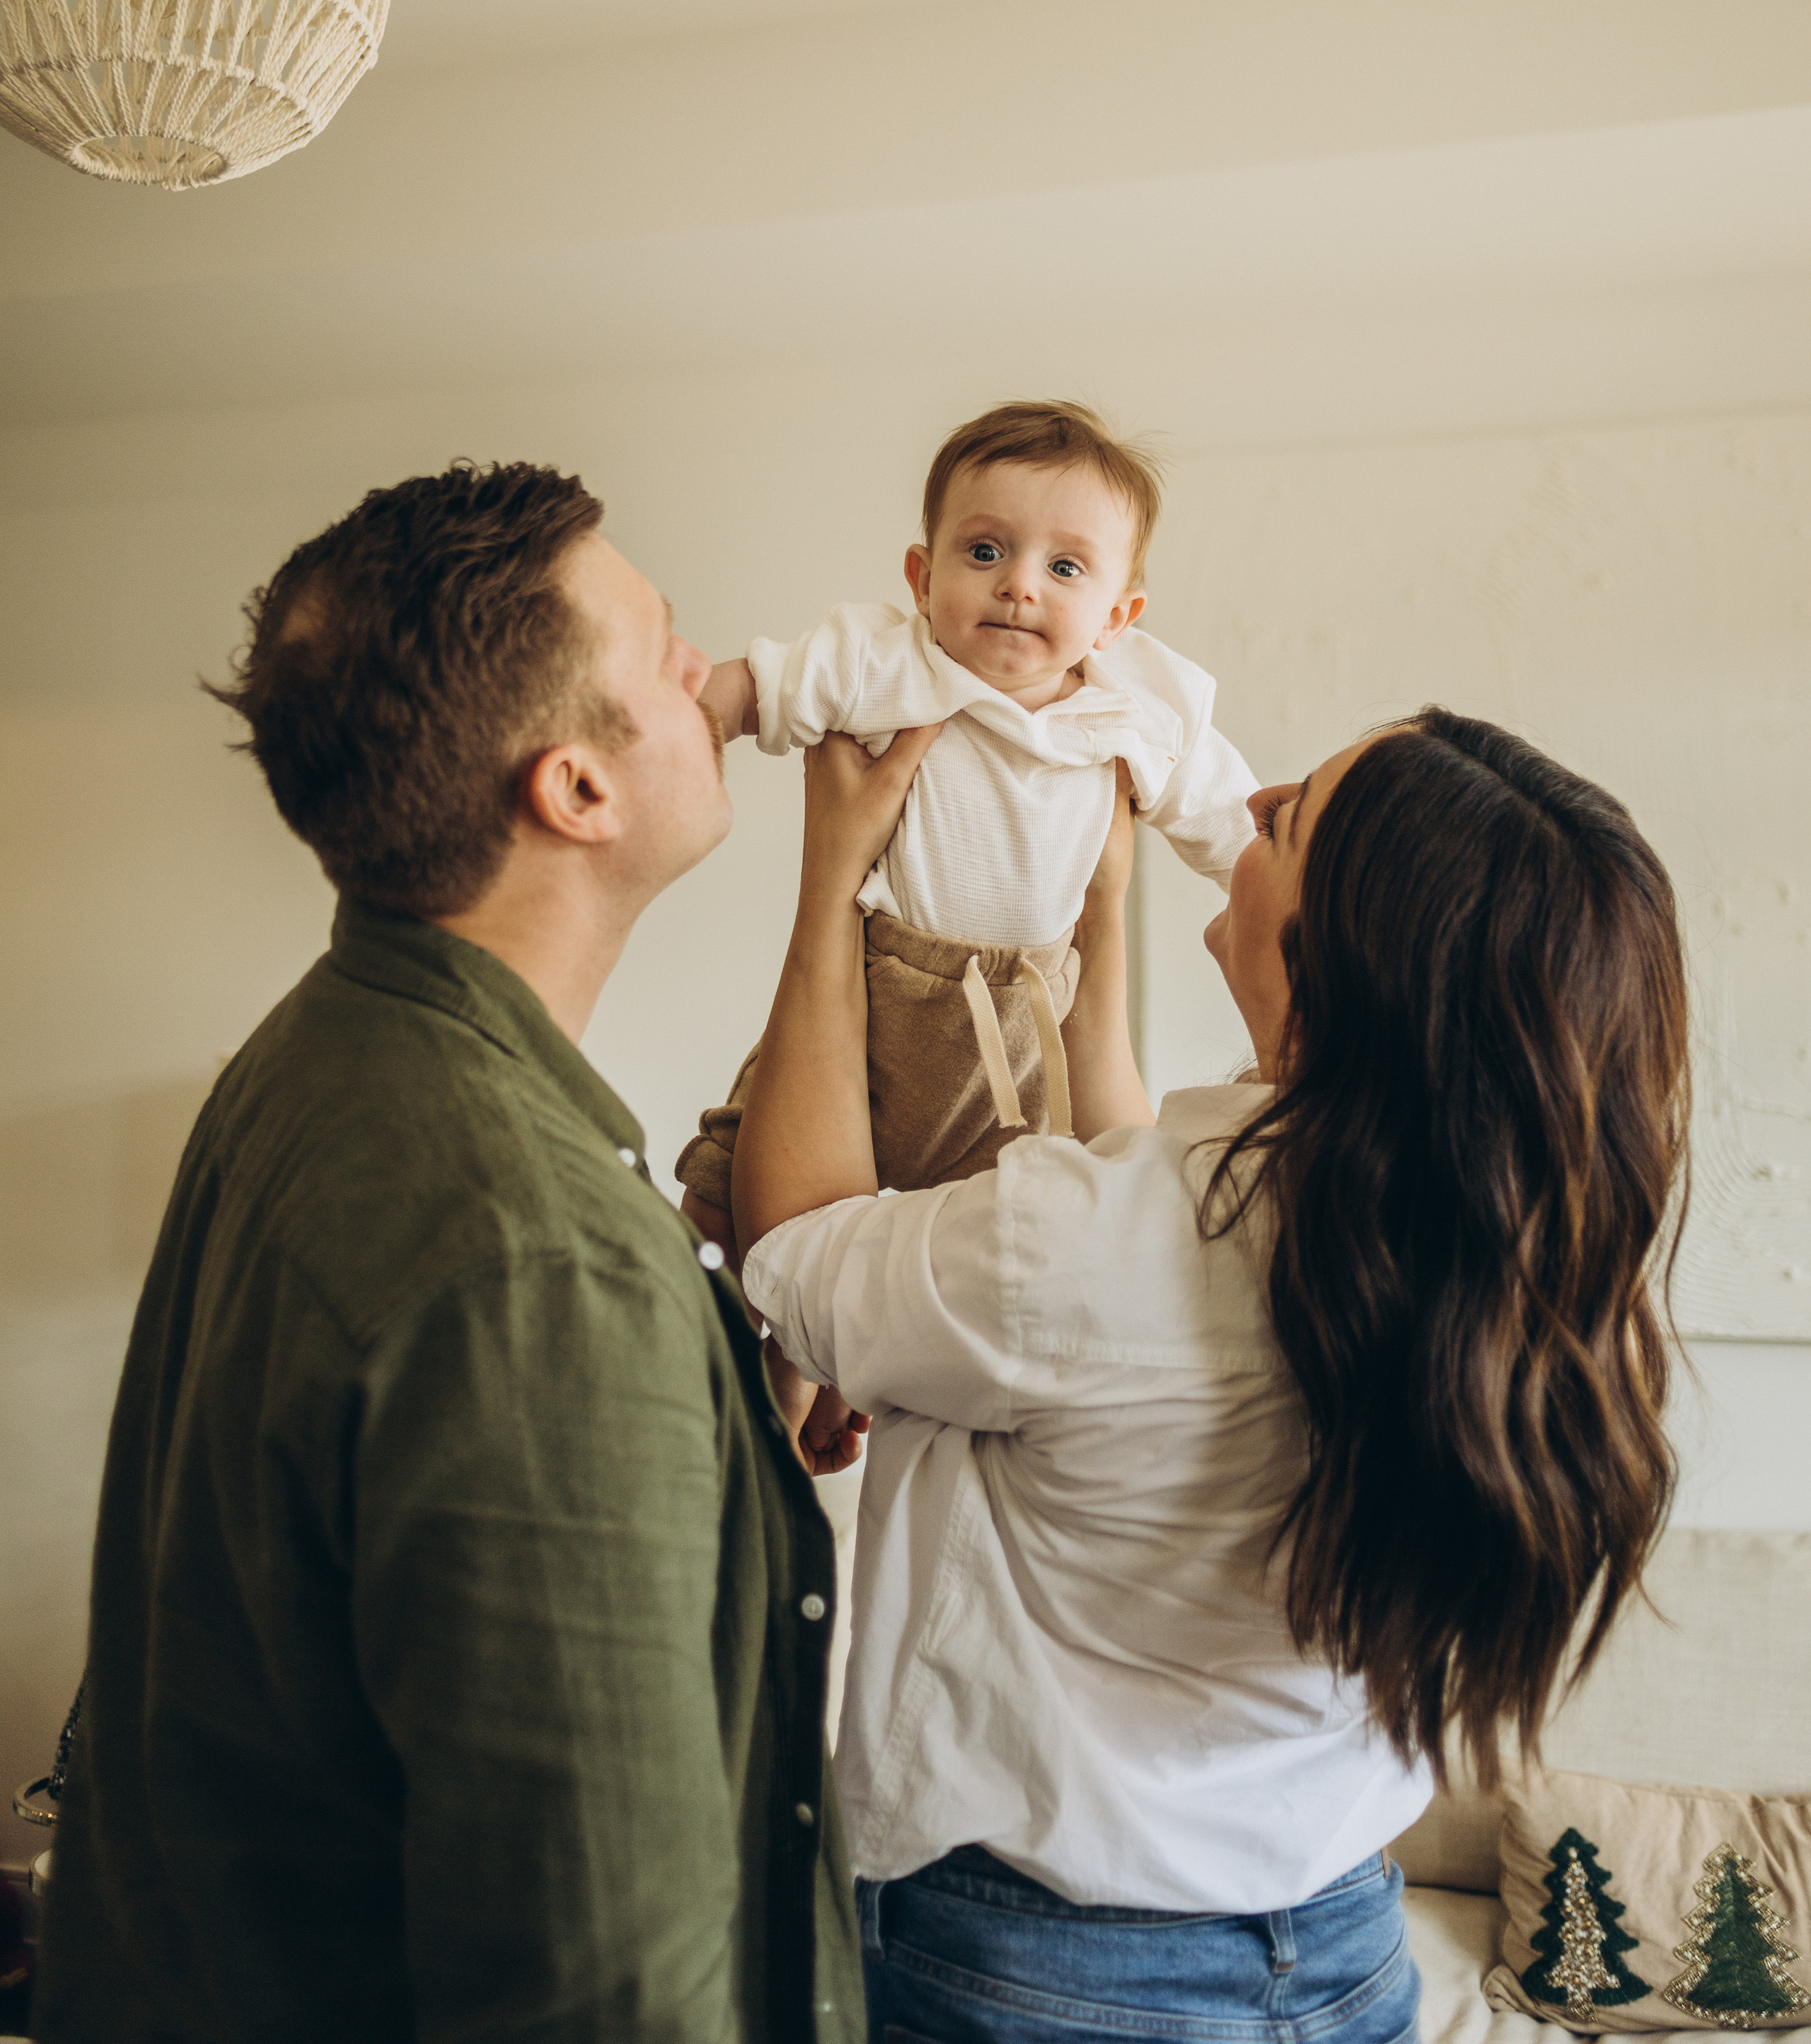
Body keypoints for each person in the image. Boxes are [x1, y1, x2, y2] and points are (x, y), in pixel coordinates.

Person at [34, 461, 864, 2044]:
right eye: (664, 647)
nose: (706, 677)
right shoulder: (538, 1259)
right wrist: (622, 1350)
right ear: (576, 790)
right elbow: (603, 1987)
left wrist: (698, 1401)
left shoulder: (317, 1052)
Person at [731, 706, 1687, 2044]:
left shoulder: (1097, 1248)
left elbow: (793, 1246)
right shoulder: (1488, 1256)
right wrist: (1099, 909)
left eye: (1291, 819)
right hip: (1341, 1953)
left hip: (1037, 1974)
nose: (1257, 797)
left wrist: (835, 877)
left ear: (1333, 957)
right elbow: (1149, 1206)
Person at [678, 400, 1254, 1222]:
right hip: (870, 1004)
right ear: (921, 579)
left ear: (1118, 618)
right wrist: (648, 732)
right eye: (984, 551)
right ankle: (754, 1343)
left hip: (1020, 1037)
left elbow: (1233, 825)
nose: (1018, 584)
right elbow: (744, 691)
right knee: (731, 1195)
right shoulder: (887, 661)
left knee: (1012, 1229)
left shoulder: (1137, 706)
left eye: (1065, 569)